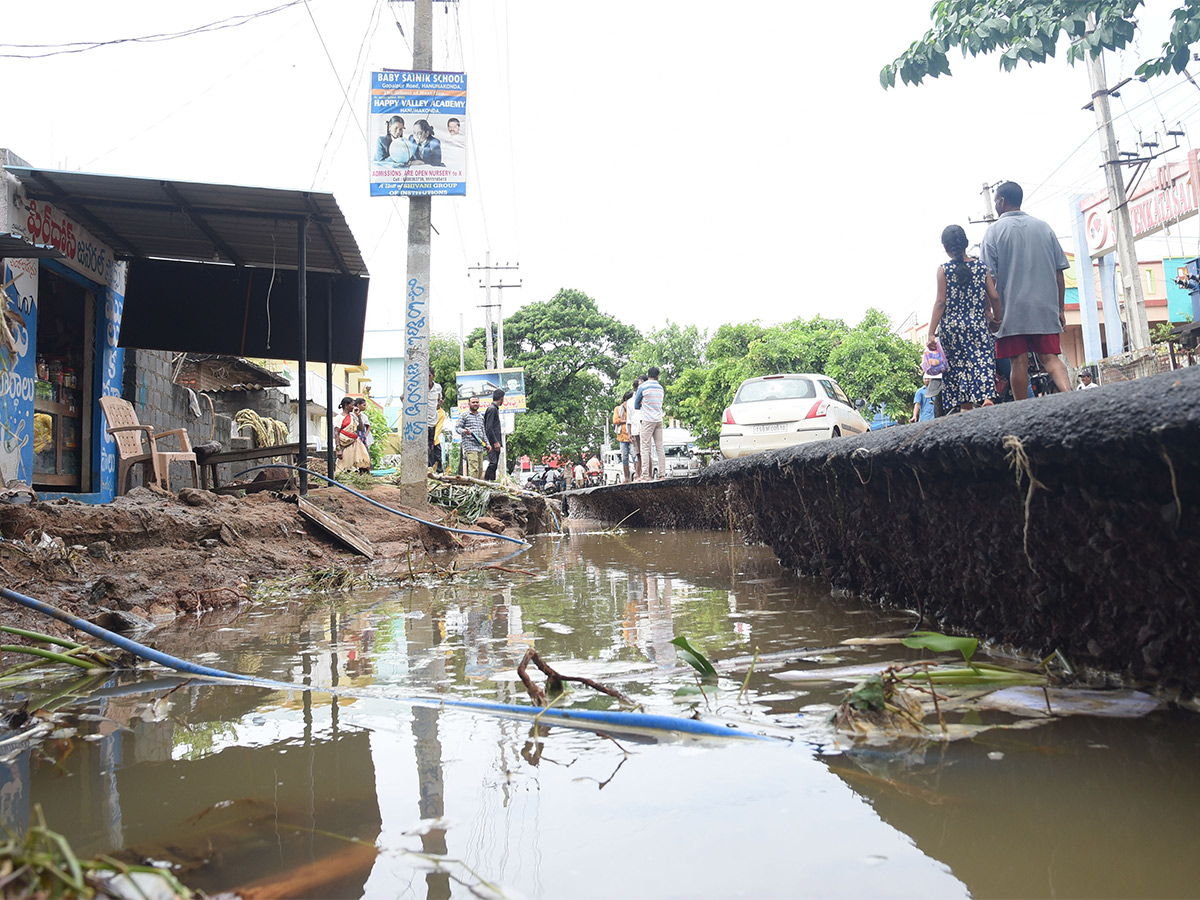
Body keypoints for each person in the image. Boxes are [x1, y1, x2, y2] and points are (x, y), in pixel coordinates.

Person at [981, 181, 1072, 400]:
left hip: (1010, 311)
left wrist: (989, 312)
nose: (995, 206)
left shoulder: (993, 232)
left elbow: (988, 278)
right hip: (1044, 307)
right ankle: (1071, 398)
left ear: (1002, 201)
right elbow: (1059, 273)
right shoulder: (1044, 227)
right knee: (1050, 357)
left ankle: (1023, 412)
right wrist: (1060, 308)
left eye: (995, 201)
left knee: (1018, 361)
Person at [927, 224, 1002, 413]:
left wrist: (930, 333)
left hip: (951, 328)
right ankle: (986, 398)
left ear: (945, 248)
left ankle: (966, 408)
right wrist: (996, 319)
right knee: (981, 360)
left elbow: (940, 303)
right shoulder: (981, 267)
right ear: (966, 243)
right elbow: (994, 296)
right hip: (977, 324)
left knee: (958, 368)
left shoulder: (943, 270)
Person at [634, 367, 666, 481]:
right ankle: (662, 474)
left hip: (647, 420)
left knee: (645, 447)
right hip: (658, 420)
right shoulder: (661, 388)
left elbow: (636, 405)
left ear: (648, 376)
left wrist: (644, 404)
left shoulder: (642, 386)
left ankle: (645, 475)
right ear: (657, 376)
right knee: (659, 447)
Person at [335, 397, 370, 473]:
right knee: (345, 465)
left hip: (355, 443)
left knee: (361, 461)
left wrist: (359, 417)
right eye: (352, 405)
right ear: (346, 405)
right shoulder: (339, 417)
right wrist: (338, 449)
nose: (353, 407)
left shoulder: (352, 417)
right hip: (345, 444)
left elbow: (360, 428)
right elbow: (336, 433)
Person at [457, 395, 487, 479]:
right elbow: (457, 428)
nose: (475, 404)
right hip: (470, 446)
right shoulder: (464, 415)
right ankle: (472, 487)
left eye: (477, 402)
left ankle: (477, 487)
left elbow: (483, 432)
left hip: (480, 446)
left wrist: (487, 444)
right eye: (473, 402)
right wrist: (465, 432)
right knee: (474, 469)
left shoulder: (480, 417)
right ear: (469, 404)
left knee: (480, 469)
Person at [483, 388, 504, 481]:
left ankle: (492, 483)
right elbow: (489, 428)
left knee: (495, 465)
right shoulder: (492, 409)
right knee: (493, 463)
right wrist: (495, 442)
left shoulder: (494, 409)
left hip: (495, 441)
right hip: (491, 441)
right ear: (501, 399)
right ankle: (485, 482)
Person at [613, 390, 633, 483]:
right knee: (624, 457)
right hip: (622, 437)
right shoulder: (618, 409)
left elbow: (634, 418)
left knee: (635, 455)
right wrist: (627, 420)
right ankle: (626, 478)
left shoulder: (633, 407)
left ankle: (637, 475)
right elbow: (616, 420)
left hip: (632, 435)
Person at [626, 377, 644, 480]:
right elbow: (629, 419)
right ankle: (638, 474)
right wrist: (629, 433)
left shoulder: (645, 398)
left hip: (645, 427)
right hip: (635, 429)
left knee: (646, 452)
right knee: (638, 454)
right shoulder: (630, 402)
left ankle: (644, 474)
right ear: (635, 388)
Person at [427, 366, 444, 470]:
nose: (426, 378)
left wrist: (439, 402)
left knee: (430, 449)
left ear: (433, 376)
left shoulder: (437, 387)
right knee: (423, 449)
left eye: (428, 376)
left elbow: (439, 399)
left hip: (432, 422)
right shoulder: (419, 387)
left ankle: (430, 471)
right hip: (421, 424)